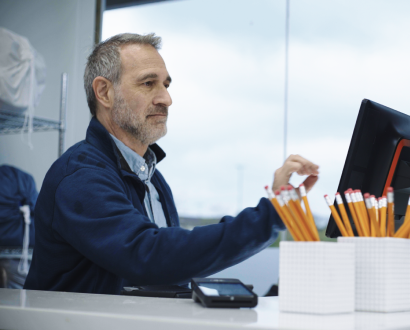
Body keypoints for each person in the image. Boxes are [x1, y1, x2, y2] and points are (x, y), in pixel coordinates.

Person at [24, 33, 319, 294]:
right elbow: (149, 256)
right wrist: (271, 214)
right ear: (104, 93)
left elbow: (171, 272)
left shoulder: (153, 179)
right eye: (148, 83)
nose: (166, 98)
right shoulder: (80, 177)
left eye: (165, 84)